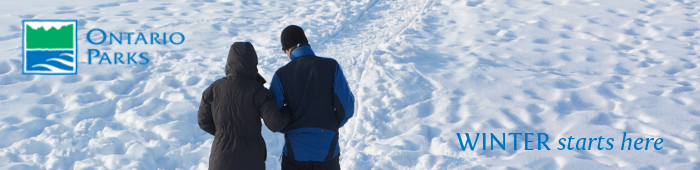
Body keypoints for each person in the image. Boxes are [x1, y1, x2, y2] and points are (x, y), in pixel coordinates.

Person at [269, 25, 355, 170]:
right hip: (327, 146)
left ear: (288, 49)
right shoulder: (332, 66)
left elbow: (273, 116)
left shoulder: (282, 75)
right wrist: (331, 125)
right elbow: (347, 109)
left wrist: (290, 124)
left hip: (295, 150)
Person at [198, 42, 291, 170]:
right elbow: (275, 124)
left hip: (220, 159)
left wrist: (223, 133)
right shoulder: (259, 91)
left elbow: (203, 121)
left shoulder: (213, 89)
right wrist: (288, 110)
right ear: (253, 63)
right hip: (251, 159)